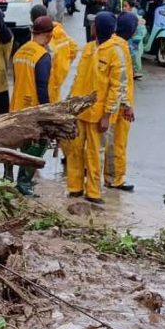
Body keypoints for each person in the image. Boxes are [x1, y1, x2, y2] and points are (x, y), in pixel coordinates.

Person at [66, 12, 124, 204]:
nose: (90, 27)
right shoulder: (89, 48)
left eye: (93, 24)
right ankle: (75, 187)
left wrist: (107, 115)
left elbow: (117, 87)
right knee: (75, 150)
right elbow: (78, 78)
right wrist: (69, 104)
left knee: (93, 154)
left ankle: (93, 192)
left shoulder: (115, 52)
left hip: (98, 115)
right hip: (80, 110)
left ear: (98, 28)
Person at [10, 16, 56, 195]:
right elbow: (42, 87)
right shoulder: (42, 56)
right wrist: (48, 113)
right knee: (39, 144)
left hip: (16, 105)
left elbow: (16, 79)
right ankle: (23, 183)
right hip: (33, 110)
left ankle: (10, 178)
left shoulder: (20, 51)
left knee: (20, 144)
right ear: (48, 34)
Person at [105, 12, 137, 191]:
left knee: (109, 142)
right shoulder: (122, 49)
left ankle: (110, 177)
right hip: (119, 105)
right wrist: (127, 105)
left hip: (111, 101)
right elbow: (122, 79)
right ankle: (117, 178)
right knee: (118, 143)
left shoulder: (111, 44)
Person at [121, 0, 146, 78]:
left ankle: (134, 72)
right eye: (122, 6)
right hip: (126, 40)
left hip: (135, 41)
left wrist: (135, 39)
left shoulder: (137, 18)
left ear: (131, 7)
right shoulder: (123, 16)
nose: (123, 8)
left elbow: (141, 31)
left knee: (134, 56)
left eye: (125, 6)